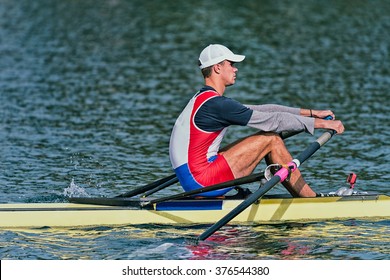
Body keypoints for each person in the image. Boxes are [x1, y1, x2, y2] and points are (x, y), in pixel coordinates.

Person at [169, 44, 345, 198]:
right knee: (271, 139)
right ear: (217, 68)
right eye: (231, 64)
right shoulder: (218, 105)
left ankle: (305, 196)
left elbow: (266, 110)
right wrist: (324, 124)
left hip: (193, 178)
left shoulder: (206, 99)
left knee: (268, 135)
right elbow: (273, 121)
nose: (235, 69)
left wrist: (312, 113)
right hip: (202, 181)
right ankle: (310, 199)